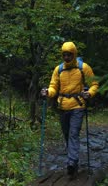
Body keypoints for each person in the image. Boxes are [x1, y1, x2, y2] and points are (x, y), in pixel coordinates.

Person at [41, 41, 99, 177]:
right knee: (67, 135)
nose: (66, 57)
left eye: (69, 55)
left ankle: (71, 162)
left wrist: (89, 93)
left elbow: (94, 84)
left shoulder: (83, 68)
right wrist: (47, 93)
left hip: (78, 106)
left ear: (74, 54)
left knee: (73, 134)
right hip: (63, 107)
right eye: (64, 55)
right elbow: (54, 87)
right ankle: (73, 161)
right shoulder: (58, 69)